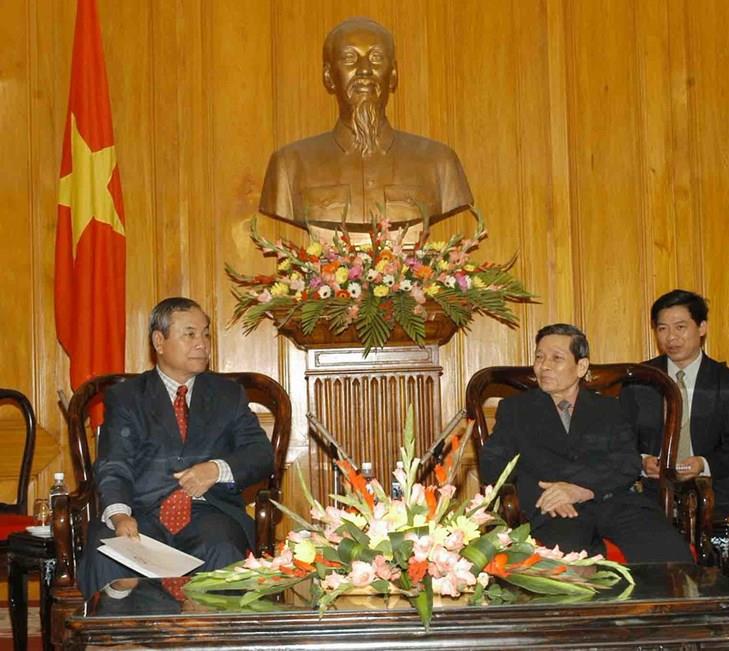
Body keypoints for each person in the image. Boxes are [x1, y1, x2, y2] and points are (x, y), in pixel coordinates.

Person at [77, 297, 274, 597]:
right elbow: (114, 463)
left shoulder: (227, 395)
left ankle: (212, 627)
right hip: (141, 512)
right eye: (190, 334)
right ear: (159, 341)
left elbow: (261, 454)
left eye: (205, 334)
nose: (202, 344)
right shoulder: (127, 397)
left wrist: (216, 470)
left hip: (209, 513)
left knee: (223, 547)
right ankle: (123, 625)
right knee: (107, 555)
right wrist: (119, 515)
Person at [479, 323, 692, 562]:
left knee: (668, 551)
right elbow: (492, 465)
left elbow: (628, 462)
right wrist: (547, 494)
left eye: (556, 358)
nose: (544, 365)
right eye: (539, 357)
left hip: (613, 501)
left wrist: (582, 489)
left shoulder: (609, 408)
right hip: (554, 511)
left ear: (581, 367)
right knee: (570, 564)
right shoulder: (516, 410)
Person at [259, 17, 473, 239]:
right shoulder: (290, 165)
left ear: (393, 75)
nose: (364, 70)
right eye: (349, 58)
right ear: (328, 76)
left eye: (376, 58)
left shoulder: (439, 162)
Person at [620, 289, 729, 568]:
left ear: (702, 327)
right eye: (662, 328)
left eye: (680, 327)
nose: (671, 337)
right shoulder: (640, 379)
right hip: (651, 489)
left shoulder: (727, 381)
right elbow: (619, 440)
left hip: (716, 487)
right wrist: (642, 462)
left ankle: (720, 594)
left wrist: (703, 464)